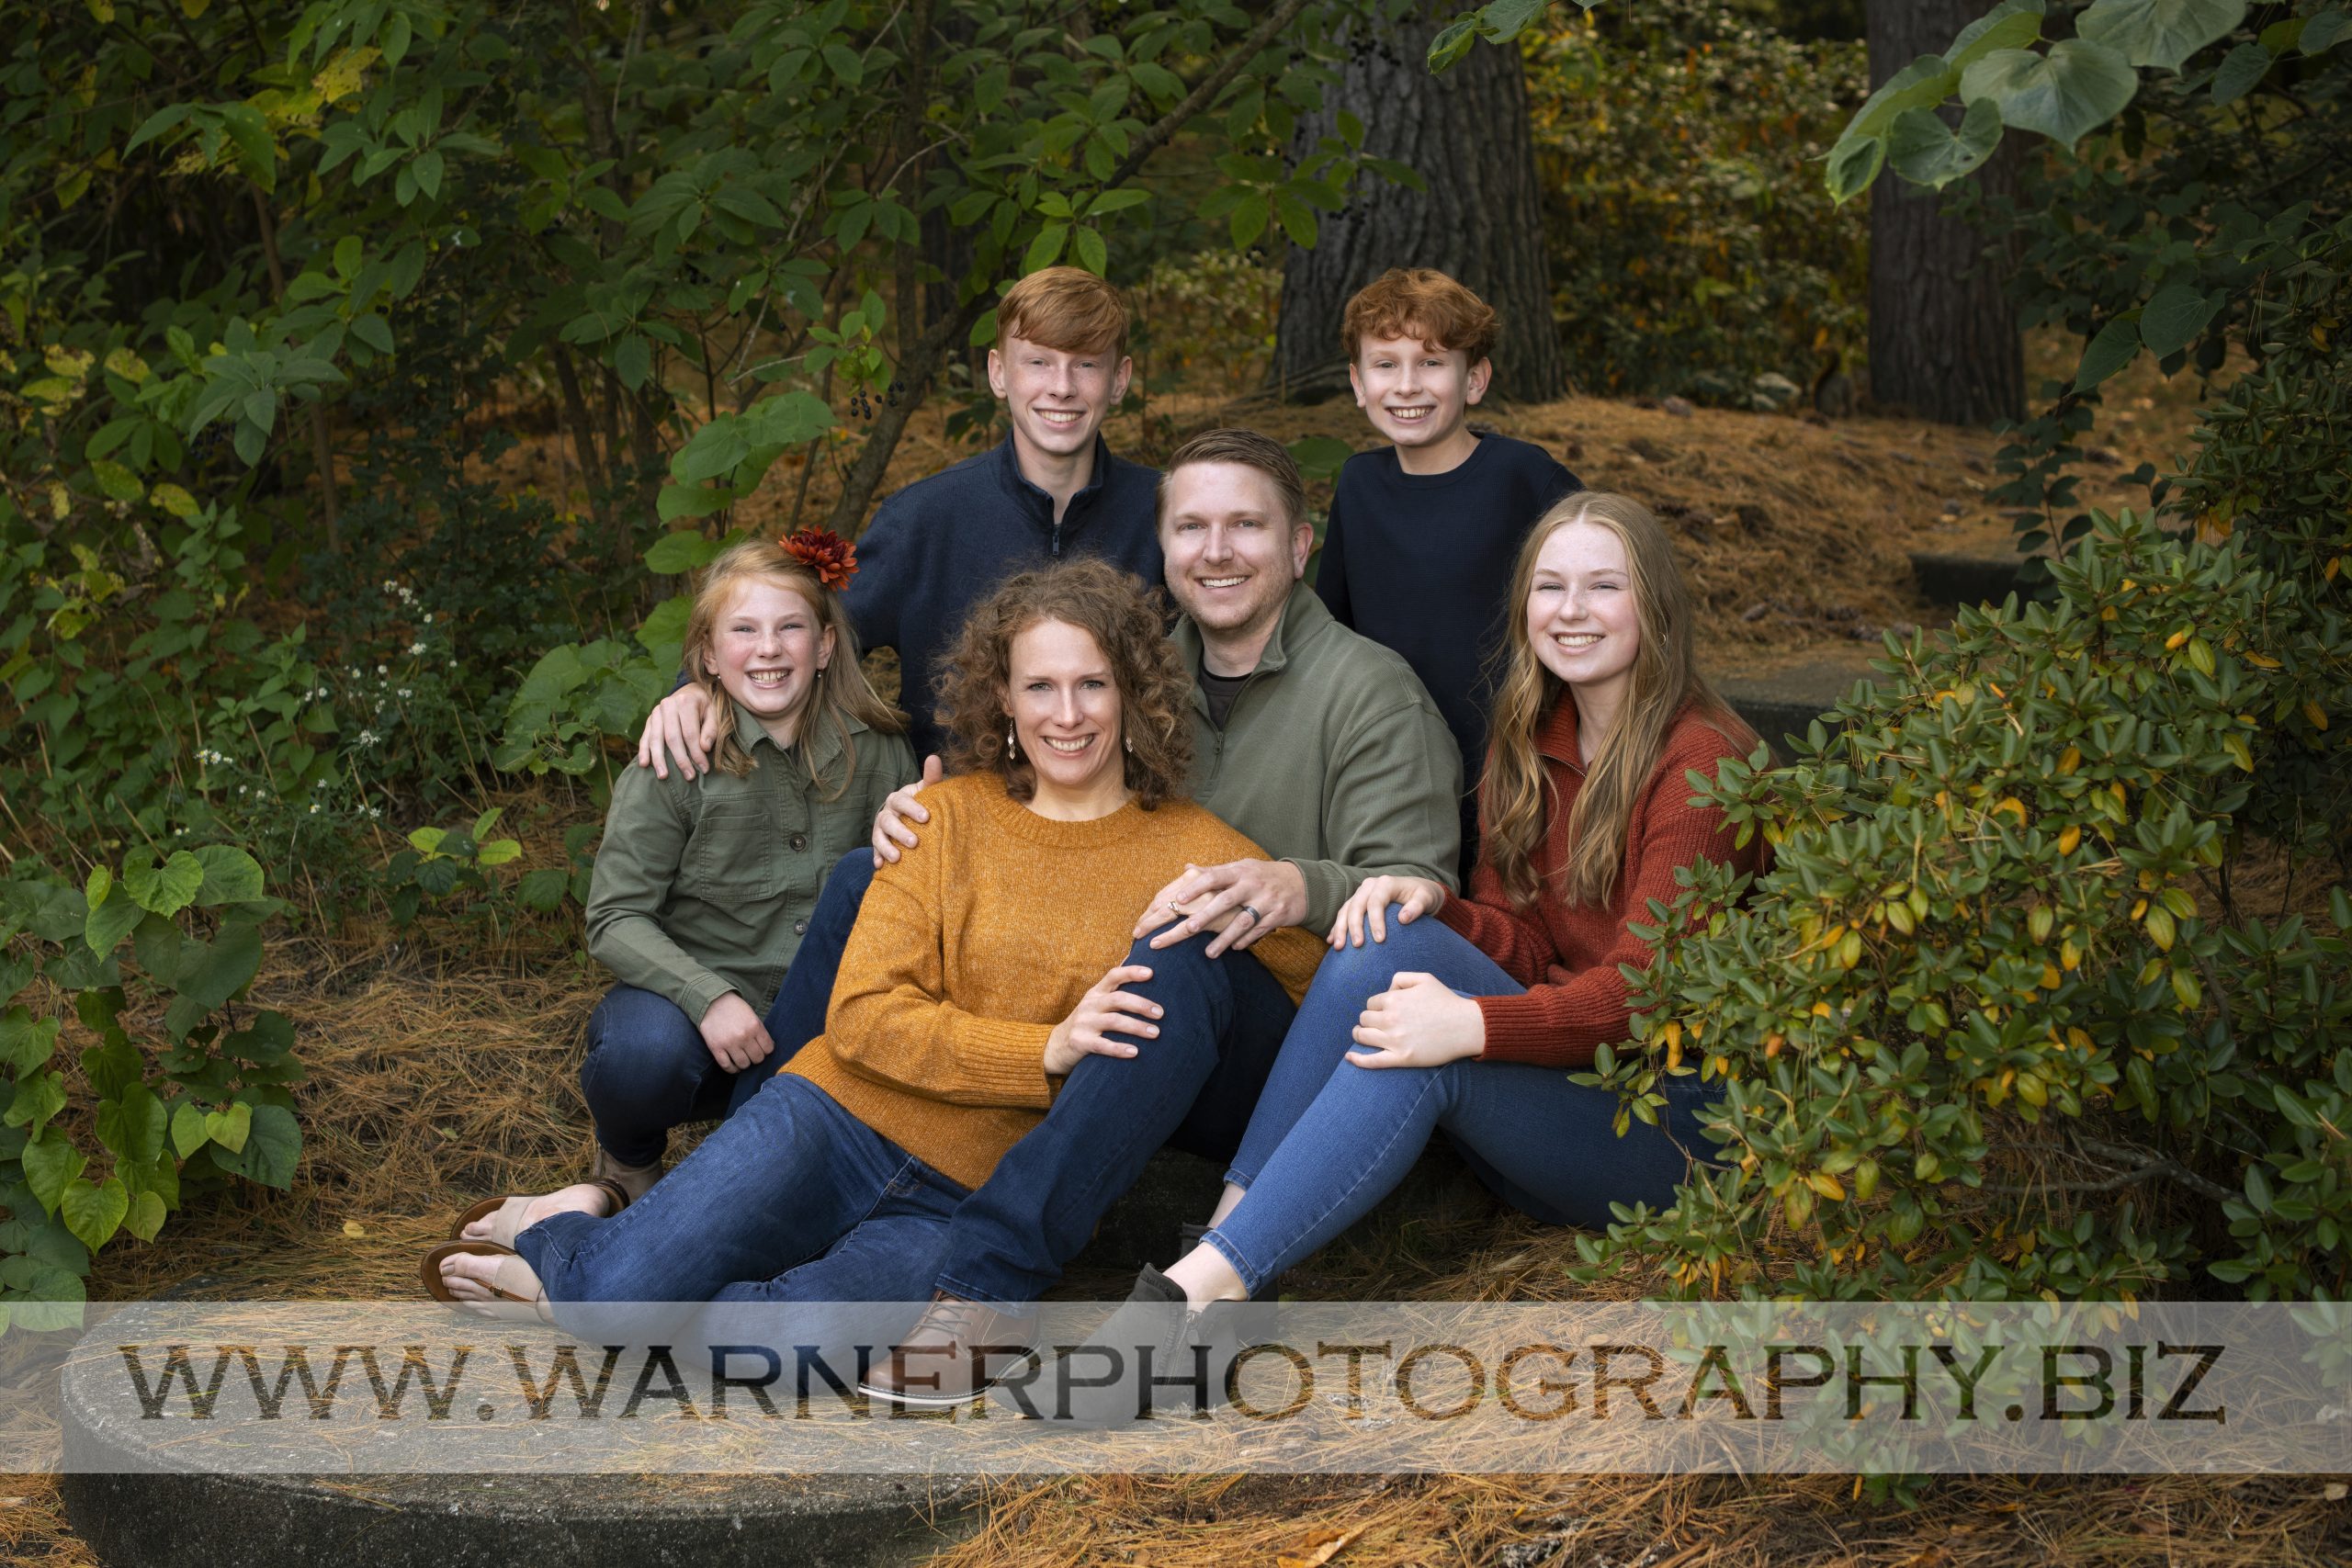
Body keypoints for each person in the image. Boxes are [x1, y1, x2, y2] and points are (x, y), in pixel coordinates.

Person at [424, 559, 1327, 1361]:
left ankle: (592, 1295)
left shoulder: (1201, 858)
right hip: (835, 1115)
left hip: (967, 1195)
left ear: (1134, 694)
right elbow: (861, 1019)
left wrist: (1321, 897)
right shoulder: (939, 819)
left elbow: (1313, 995)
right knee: (629, 1294)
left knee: (785, 1351)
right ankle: (592, 1260)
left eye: (1092, 685)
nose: (1067, 714)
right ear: (1002, 700)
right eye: (1039, 687)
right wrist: (1044, 1050)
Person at [1055, 491, 1771, 1423]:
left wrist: (1469, 1022)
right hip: (1577, 1091)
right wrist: (1442, 907)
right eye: (1550, 586)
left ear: (1656, 608)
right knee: (1378, 932)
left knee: (1418, 1054)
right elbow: (1530, 944)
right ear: (1523, 608)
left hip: (1673, 1128)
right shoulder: (1533, 743)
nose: (1572, 609)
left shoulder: (1701, 763)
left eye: (1605, 585)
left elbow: (1641, 1002)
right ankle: (1225, 1257)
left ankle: (1184, 1301)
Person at [856, 429, 1463, 1405]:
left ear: (1300, 545)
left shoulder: (1369, 694)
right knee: (868, 877)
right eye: (1191, 527)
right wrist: (923, 814)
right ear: (1165, 544)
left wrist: (1295, 885)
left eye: (1244, 526)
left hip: (1286, 1052)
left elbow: (1415, 898)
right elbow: (1036, 772)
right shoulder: (1131, 667)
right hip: (1116, 1023)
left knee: (1188, 954)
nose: (1215, 551)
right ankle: (794, 1154)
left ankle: (988, 1288)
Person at [451, 531, 912, 1240]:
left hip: (821, 1025)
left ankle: (599, 1220)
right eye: (744, 630)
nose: (768, 649)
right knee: (640, 1053)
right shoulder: (675, 759)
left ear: (823, 646)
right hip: (699, 1024)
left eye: (790, 626)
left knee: (787, 1198)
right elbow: (613, 917)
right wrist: (709, 996)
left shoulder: (879, 752)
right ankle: (628, 1162)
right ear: (707, 656)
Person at [634, 265, 1162, 773]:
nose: (1062, 386)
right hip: (955, 813)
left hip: (1126, 807)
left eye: (1087, 364)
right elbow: (808, 624)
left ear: (1120, 379)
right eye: (1039, 363)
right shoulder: (923, 519)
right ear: (998, 373)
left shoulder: (1164, 515)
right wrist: (695, 687)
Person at [1315, 267, 1583, 877]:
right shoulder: (1359, 484)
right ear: (1358, 383)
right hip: (1398, 762)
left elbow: (1605, 586)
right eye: (1385, 365)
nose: (1408, 385)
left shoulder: (1524, 477)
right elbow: (1331, 629)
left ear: (1475, 379)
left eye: (1432, 363)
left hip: (1512, 757)